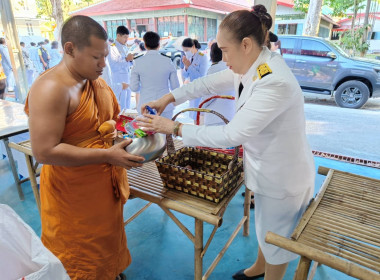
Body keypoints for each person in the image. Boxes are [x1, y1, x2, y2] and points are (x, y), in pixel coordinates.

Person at [137, 5, 315, 280]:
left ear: (245, 44)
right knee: (265, 225)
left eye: (224, 49)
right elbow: (205, 85)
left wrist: (173, 126)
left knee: (277, 238)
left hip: (283, 175)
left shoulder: (273, 81)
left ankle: (271, 276)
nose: (221, 56)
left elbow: (232, 135)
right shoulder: (251, 65)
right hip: (266, 165)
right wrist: (167, 99)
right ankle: (259, 267)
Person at [25, 15, 144, 280]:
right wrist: (107, 155)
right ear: (69, 49)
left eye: (105, 56)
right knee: (79, 253)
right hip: (72, 195)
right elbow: (44, 152)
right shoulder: (51, 88)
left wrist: (133, 124)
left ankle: (109, 272)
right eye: (95, 58)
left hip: (104, 187)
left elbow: (109, 119)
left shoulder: (95, 80)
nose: (103, 64)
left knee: (108, 239)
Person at [130, 31, 179, 119]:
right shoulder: (167, 61)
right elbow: (175, 87)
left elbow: (134, 88)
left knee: (146, 132)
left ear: (144, 45)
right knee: (165, 132)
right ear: (159, 45)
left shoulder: (138, 62)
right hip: (165, 106)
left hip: (145, 107)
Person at [200, 42, 235, 126]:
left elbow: (209, 94)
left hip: (215, 116)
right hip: (231, 113)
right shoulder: (231, 66)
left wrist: (200, 108)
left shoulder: (214, 69)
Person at [180, 38, 208, 122]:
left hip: (200, 89)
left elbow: (200, 75)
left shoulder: (202, 57)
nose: (185, 52)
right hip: (192, 89)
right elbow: (185, 75)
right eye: (184, 50)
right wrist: (185, 66)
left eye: (187, 50)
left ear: (193, 46)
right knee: (194, 115)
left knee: (199, 115)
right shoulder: (189, 57)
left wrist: (190, 66)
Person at [108, 26, 134, 110]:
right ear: (118, 35)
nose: (126, 40)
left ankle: (126, 122)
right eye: (125, 37)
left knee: (127, 105)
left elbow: (128, 64)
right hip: (119, 81)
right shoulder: (112, 48)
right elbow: (113, 66)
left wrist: (130, 60)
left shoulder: (125, 47)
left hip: (127, 79)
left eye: (127, 37)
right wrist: (126, 59)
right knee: (120, 106)